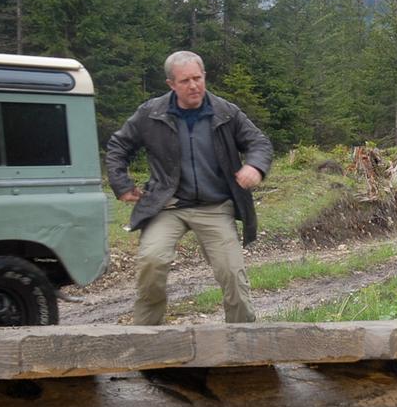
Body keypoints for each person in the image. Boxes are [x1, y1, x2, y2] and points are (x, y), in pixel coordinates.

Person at [106, 51, 273, 325]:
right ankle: (147, 336)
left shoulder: (226, 112)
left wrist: (254, 166)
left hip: (215, 206)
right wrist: (121, 184)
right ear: (171, 84)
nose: (194, 86)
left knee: (232, 273)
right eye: (185, 81)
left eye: (198, 78)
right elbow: (118, 146)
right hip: (167, 204)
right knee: (151, 261)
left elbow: (259, 142)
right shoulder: (151, 113)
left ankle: (241, 338)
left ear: (204, 76)